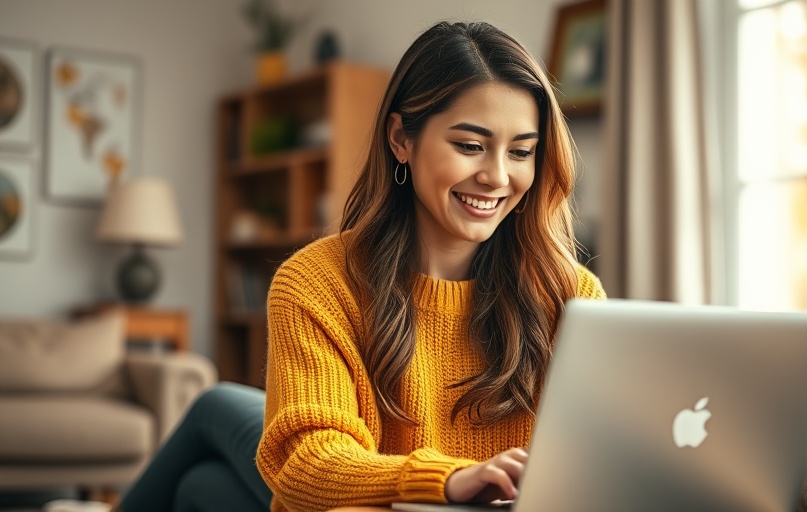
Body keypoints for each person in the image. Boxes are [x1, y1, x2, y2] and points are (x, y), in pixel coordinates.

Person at [116, 20, 604, 512]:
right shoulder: (317, 282)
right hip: (339, 494)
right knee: (206, 457)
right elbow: (307, 463)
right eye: (470, 146)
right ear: (401, 139)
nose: (497, 176)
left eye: (522, 151)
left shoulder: (572, 296)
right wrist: (449, 477)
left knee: (203, 472)